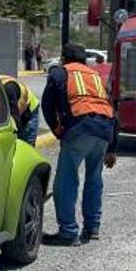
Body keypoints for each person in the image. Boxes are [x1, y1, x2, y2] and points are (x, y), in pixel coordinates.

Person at [40, 43, 118, 246]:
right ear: (85, 60)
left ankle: (68, 232)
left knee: (66, 181)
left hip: (80, 127)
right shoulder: (95, 77)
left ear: (64, 59)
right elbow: (109, 107)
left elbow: (47, 105)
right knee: (94, 180)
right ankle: (92, 228)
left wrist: (58, 130)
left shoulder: (60, 72)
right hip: (104, 129)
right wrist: (112, 148)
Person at [0, 74, 40, 146]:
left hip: (29, 109)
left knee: (26, 145)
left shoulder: (9, 90)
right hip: (15, 106)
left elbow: (15, 119)